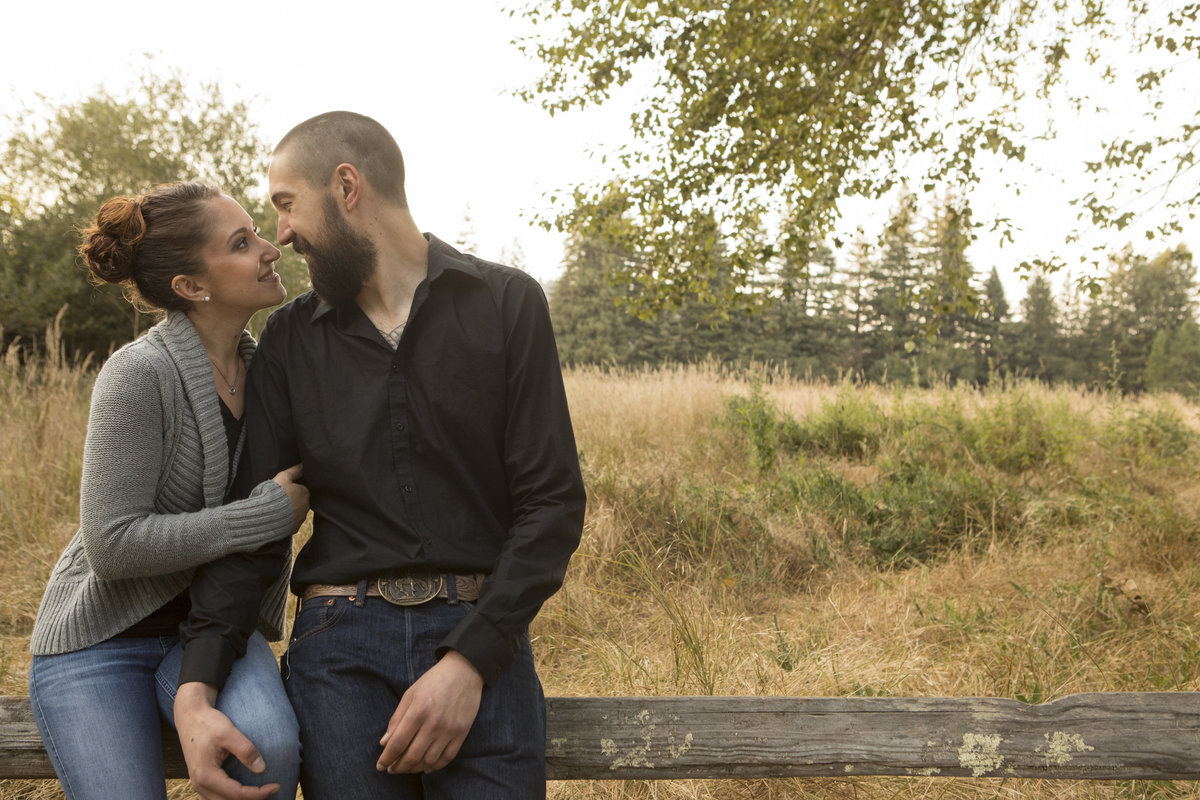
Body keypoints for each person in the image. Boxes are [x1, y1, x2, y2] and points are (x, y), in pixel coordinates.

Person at [174, 111, 587, 799]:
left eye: (284, 203)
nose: (280, 234)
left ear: (346, 186)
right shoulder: (289, 342)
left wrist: (470, 664)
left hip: (482, 635)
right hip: (338, 651)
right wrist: (196, 688)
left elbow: (552, 503)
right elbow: (258, 526)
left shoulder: (506, 303)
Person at [28, 182, 309, 800]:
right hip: (98, 642)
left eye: (257, 232)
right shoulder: (137, 374)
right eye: (242, 243)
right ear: (191, 286)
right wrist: (260, 516)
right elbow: (112, 545)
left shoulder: (270, 376)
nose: (271, 248)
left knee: (270, 746)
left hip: (215, 631)